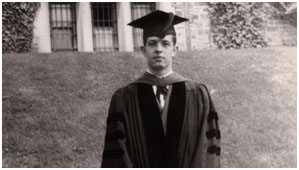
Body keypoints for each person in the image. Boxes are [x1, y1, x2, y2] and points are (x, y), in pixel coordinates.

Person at [101, 10, 221, 168]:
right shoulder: (124, 98)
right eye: (152, 43)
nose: (158, 49)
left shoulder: (198, 95)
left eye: (165, 43)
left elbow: (207, 151)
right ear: (143, 50)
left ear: (174, 50)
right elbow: (117, 153)